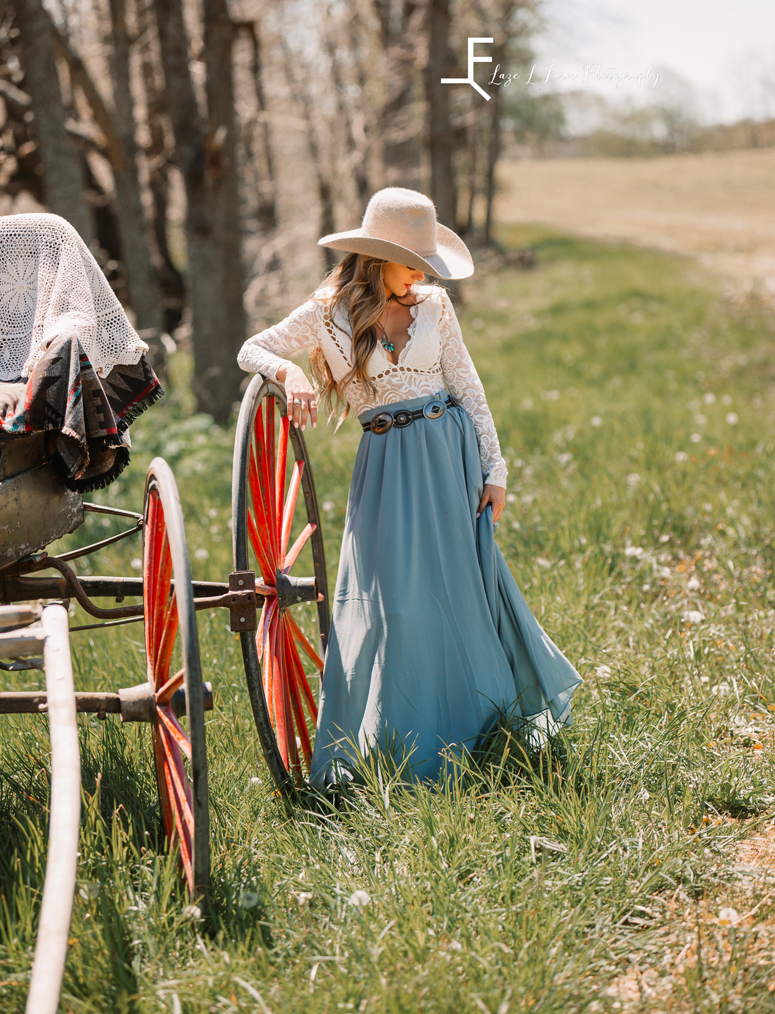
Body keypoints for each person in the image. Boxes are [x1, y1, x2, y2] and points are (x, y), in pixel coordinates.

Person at [238, 186, 582, 789]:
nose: (421, 275)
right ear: (376, 257)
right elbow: (253, 347)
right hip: (387, 466)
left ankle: (478, 733)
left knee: (459, 593)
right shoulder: (327, 314)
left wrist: (494, 469)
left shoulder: (435, 307)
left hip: (448, 456)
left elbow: (468, 389)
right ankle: (391, 743)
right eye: (411, 262)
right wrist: (289, 370)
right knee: (392, 602)